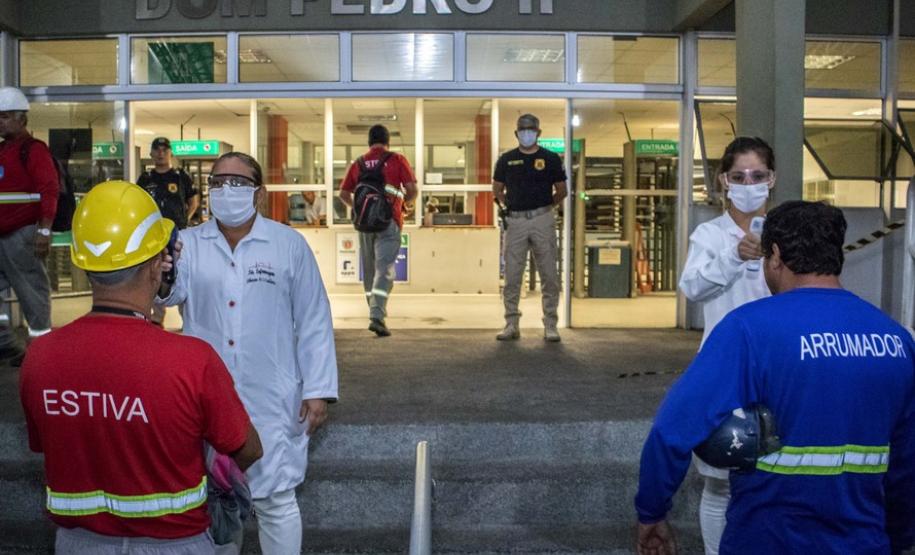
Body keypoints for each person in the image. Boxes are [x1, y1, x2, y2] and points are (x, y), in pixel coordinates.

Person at [635, 201, 915, 555]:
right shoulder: (895, 339)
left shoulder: (748, 329)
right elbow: (907, 460)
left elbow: (672, 429)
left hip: (766, 540)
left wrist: (651, 512)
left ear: (776, 256)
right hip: (863, 543)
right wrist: (900, 537)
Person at [19, 180, 263, 555]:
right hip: (178, 544)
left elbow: (48, 443)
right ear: (155, 266)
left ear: (85, 264)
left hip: (75, 544)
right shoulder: (191, 360)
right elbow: (247, 448)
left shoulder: (41, 357)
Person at [157, 152, 339, 555]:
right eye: (218, 182)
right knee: (215, 501)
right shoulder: (189, 243)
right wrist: (164, 274)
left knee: (275, 499)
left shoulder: (288, 244)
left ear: (259, 193)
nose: (226, 190)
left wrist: (318, 389)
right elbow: (171, 295)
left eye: (238, 183)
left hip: (272, 394)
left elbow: (313, 318)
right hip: (205, 396)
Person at [677, 136, 775, 554]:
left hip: (777, 371)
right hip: (724, 372)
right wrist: (734, 256)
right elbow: (693, 287)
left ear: (772, 179)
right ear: (723, 181)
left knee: (774, 477)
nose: (748, 184)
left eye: (757, 175)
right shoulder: (710, 234)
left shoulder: (786, 231)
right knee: (719, 481)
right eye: (739, 176)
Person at [492, 113, 567, 342]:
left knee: (549, 274)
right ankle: (511, 324)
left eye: (530, 129)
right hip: (515, 221)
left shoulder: (551, 159)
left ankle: (551, 324)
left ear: (538, 132)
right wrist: (511, 206)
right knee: (513, 274)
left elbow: (562, 190)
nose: (526, 133)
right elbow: (497, 190)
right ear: (516, 133)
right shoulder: (506, 159)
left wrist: (546, 208)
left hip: (543, 219)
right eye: (523, 129)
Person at [339, 124, 417, 338]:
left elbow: (343, 194)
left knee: (370, 271)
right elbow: (412, 190)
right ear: (387, 141)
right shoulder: (397, 160)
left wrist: (358, 208)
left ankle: (373, 310)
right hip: (389, 221)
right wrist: (403, 203)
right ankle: (377, 315)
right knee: (385, 269)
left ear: (369, 142)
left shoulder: (359, 163)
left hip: (364, 224)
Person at [0, 86, 57, 367]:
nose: (0, 122)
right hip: (3, 233)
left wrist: (44, 230)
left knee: (32, 292)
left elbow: (49, 189)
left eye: (6, 117)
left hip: (22, 233)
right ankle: (6, 344)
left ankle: (40, 349)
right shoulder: (3, 150)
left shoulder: (33, 151)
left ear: (22, 119)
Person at [137, 137, 198, 327]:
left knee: (182, 272)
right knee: (155, 273)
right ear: (152, 154)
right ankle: (156, 319)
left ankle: (185, 319)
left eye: (165, 149)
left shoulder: (181, 176)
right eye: (157, 149)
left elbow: (193, 201)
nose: (161, 153)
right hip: (153, 236)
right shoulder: (146, 179)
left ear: (171, 153)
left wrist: (185, 219)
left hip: (178, 232)